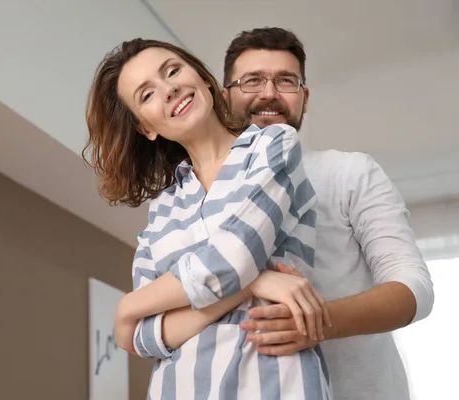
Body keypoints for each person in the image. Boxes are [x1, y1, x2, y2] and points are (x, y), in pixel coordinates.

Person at [140, 27, 434, 400]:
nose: (268, 93)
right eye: (252, 81)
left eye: (285, 81)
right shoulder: (186, 196)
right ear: (224, 95)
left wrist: (317, 322)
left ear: (304, 98)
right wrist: (127, 314)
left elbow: (414, 288)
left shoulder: (350, 172)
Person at [84, 38, 333, 399]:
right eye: (147, 95)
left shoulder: (273, 146)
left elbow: (233, 260)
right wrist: (253, 285)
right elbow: (143, 336)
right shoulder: (163, 208)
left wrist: (128, 306)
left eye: (172, 71)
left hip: (276, 385)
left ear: (203, 79)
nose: (169, 90)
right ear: (145, 128)